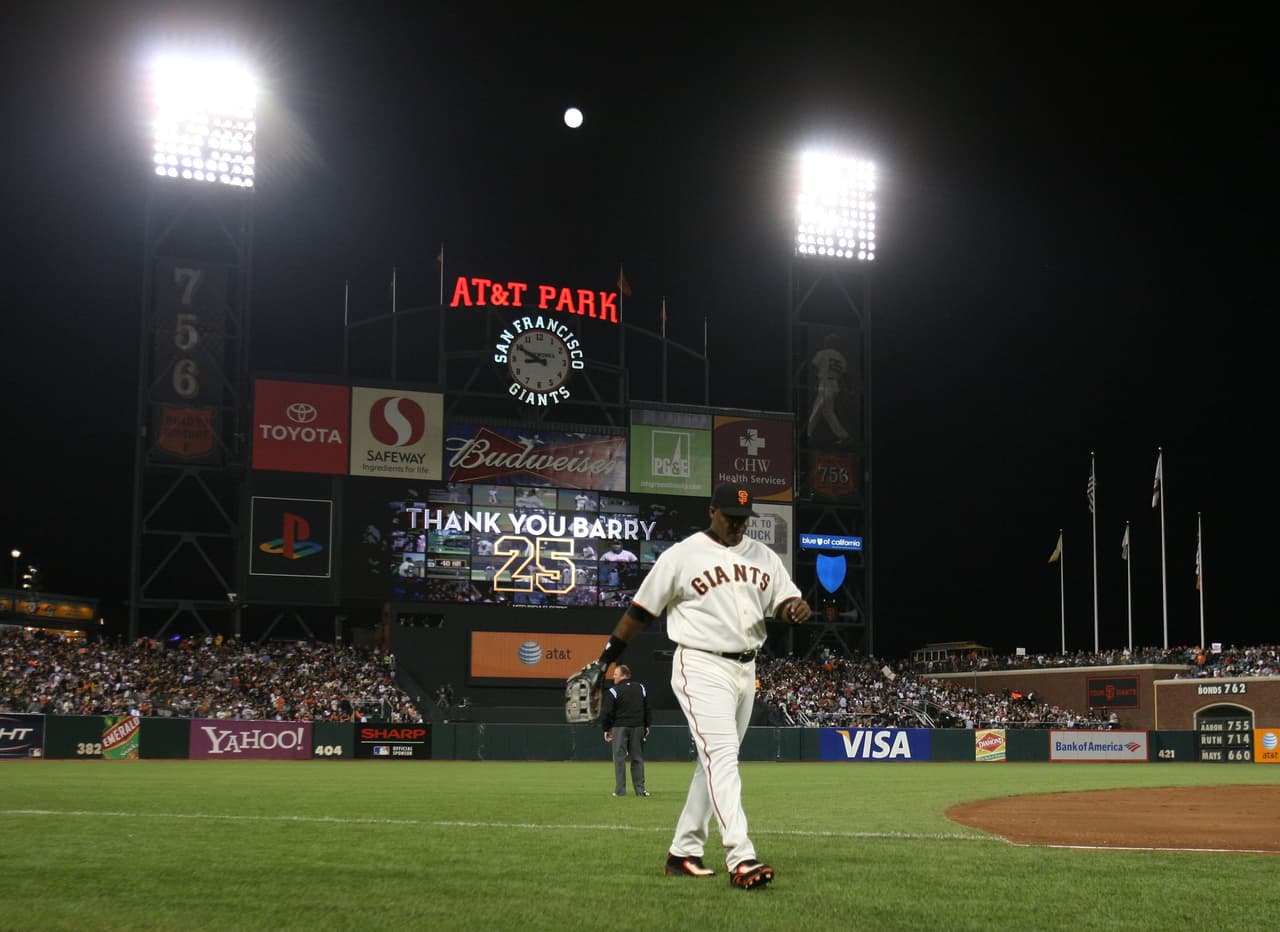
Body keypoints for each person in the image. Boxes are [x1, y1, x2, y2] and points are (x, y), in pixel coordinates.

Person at [574, 482, 811, 890]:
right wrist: (607, 658)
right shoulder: (681, 556)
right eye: (730, 517)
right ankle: (742, 857)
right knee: (722, 758)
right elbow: (639, 612)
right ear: (711, 512)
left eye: (743, 519)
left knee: (713, 762)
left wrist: (794, 610)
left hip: (746, 668)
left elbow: (783, 602)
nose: (738, 525)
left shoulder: (763, 556)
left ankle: (682, 853)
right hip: (700, 664)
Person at [600, 664, 651, 797]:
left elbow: (606, 712)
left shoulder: (614, 691)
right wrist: (647, 725)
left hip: (619, 727)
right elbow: (647, 708)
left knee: (619, 759)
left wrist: (606, 728)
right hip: (638, 726)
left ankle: (620, 791)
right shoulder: (641, 688)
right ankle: (640, 791)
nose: (613, 677)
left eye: (616, 674)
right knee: (637, 759)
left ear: (623, 675)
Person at [806, 333, 851, 445]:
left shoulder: (823, 353)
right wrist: (849, 389)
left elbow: (812, 366)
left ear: (830, 342)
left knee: (824, 411)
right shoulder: (841, 357)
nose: (825, 342)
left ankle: (844, 436)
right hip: (834, 384)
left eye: (827, 341)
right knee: (821, 411)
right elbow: (845, 376)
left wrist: (816, 378)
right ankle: (809, 434)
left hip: (825, 383)